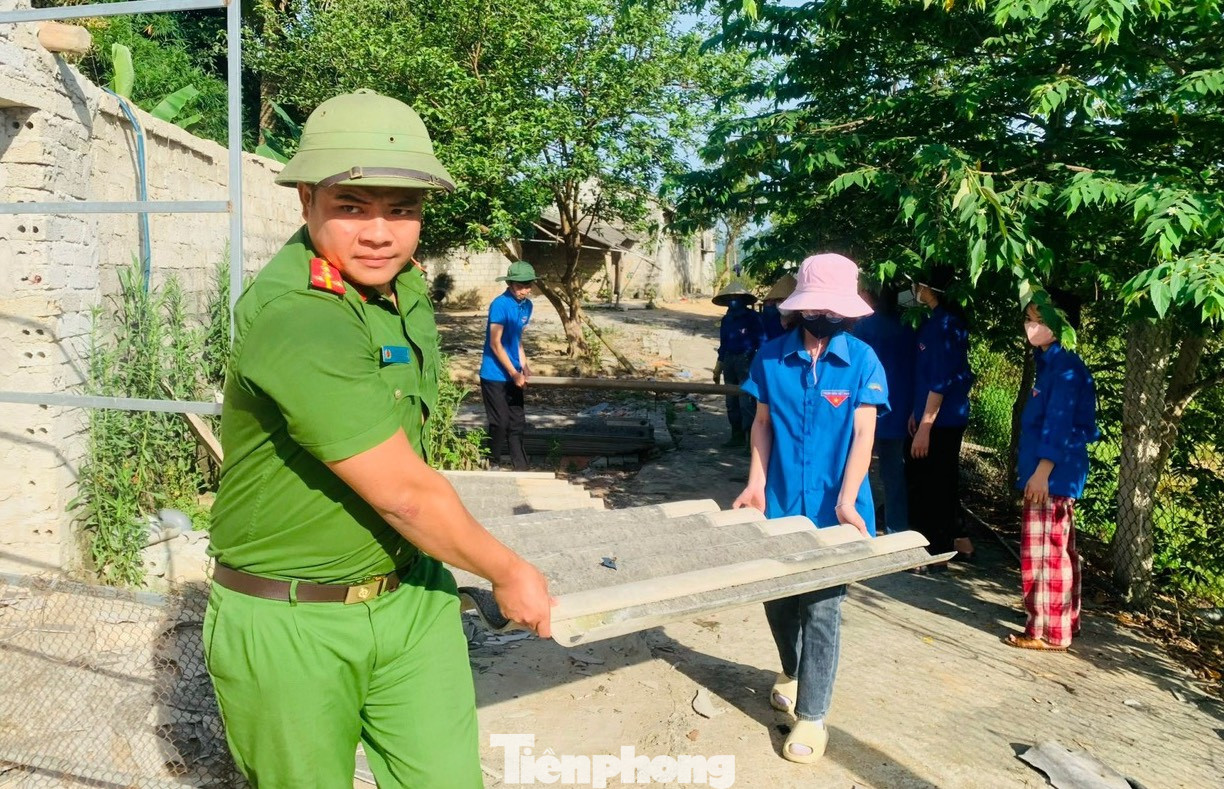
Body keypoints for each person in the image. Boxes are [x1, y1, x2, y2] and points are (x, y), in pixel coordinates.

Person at [205, 90, 552, 788]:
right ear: (307, 200)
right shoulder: (299, 316)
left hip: (411, 595)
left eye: (402, 209)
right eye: (352, 206)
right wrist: (507, 569)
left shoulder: (402, 289)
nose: (380, 232)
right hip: (293, 618)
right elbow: (403, 491)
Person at [732, 253, 888, 764]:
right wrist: (755, 484)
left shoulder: (863, 361)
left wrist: (847, 498)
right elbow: (760, 423)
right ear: (800, 308)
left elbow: (864, 434)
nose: (824, 320)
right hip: (777, 502)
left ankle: (813, 716)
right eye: (816, 309)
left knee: (822, 608)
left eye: (833, 310)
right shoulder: (771, 358)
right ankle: (794, 669)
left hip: (837, 508)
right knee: (778, 599)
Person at [1005, 290, 1098, 652]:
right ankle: (1062, 622)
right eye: (1029, 319)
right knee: (1058, 550)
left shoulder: (1065, 368)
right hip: (1052, 470)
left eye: (1040, 320)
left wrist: (1042, 472)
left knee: (1044, 553)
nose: (1032, 327)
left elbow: (1058, 425)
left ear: (1061, 325)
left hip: (1051, 473)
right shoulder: (1050, 363)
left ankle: (1044, 631)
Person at [907, 268, 975, 566]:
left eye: (918, 284)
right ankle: (958, 541)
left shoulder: (947, 325)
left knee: (935, 483)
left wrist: (925, 426)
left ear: (929, 288)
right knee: (937, 481)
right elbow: (924, 376)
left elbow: (941, 381)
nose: (914, 289)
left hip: (942, 421)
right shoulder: (934, 322)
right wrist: (915, 411)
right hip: (930, 415)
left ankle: (937, 551)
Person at [854, 282, 916, 534]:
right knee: (893, 475)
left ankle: (858, 525)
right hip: (899, 410)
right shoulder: (910, 327)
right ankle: (897, 528)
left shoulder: (862, 327)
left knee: (858, 467)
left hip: (865, 409)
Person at [480, 261, 537, 471]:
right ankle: (492, 461)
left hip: (514, 373)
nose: (525, 290)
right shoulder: (500, 305)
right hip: (494, 374)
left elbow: (517, 339)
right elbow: (495, 343)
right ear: (510, 284)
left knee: (517, 423)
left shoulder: (527, 306)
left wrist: (524, 365)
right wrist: (513, 373)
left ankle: (521, 466)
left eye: (528, 285)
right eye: (520, 286)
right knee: (500, 422)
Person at [712, 281, 764, 448]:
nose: (733, 300)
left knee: (746, 400)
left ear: (743, 300)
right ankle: (736, 435)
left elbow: (762, 341)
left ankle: (750, 440)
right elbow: (724, 343)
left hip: (746, 359)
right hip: (729, 359)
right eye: (731, 298)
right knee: (730, 400)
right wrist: (718, 365)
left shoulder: (753, 318)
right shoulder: (727, 320)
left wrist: (758, 363)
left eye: (736, 298)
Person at [761, 273, 797, 341]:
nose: (783, 303)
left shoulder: (804, 325)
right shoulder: (771, 322)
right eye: (779, 300)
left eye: (787, 299)